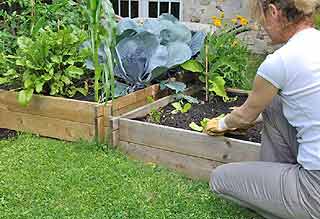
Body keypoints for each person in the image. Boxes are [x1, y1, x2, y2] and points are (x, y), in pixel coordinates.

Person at [204, 0, 320, 219]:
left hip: (316, 189)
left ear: (273, 12)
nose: (261, 27)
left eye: (262, 18)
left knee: (219, 179)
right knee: (274, 105)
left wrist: (220, 124)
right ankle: (278, 185)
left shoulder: (280, 62)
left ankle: (289, 203)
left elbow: (246, 115)